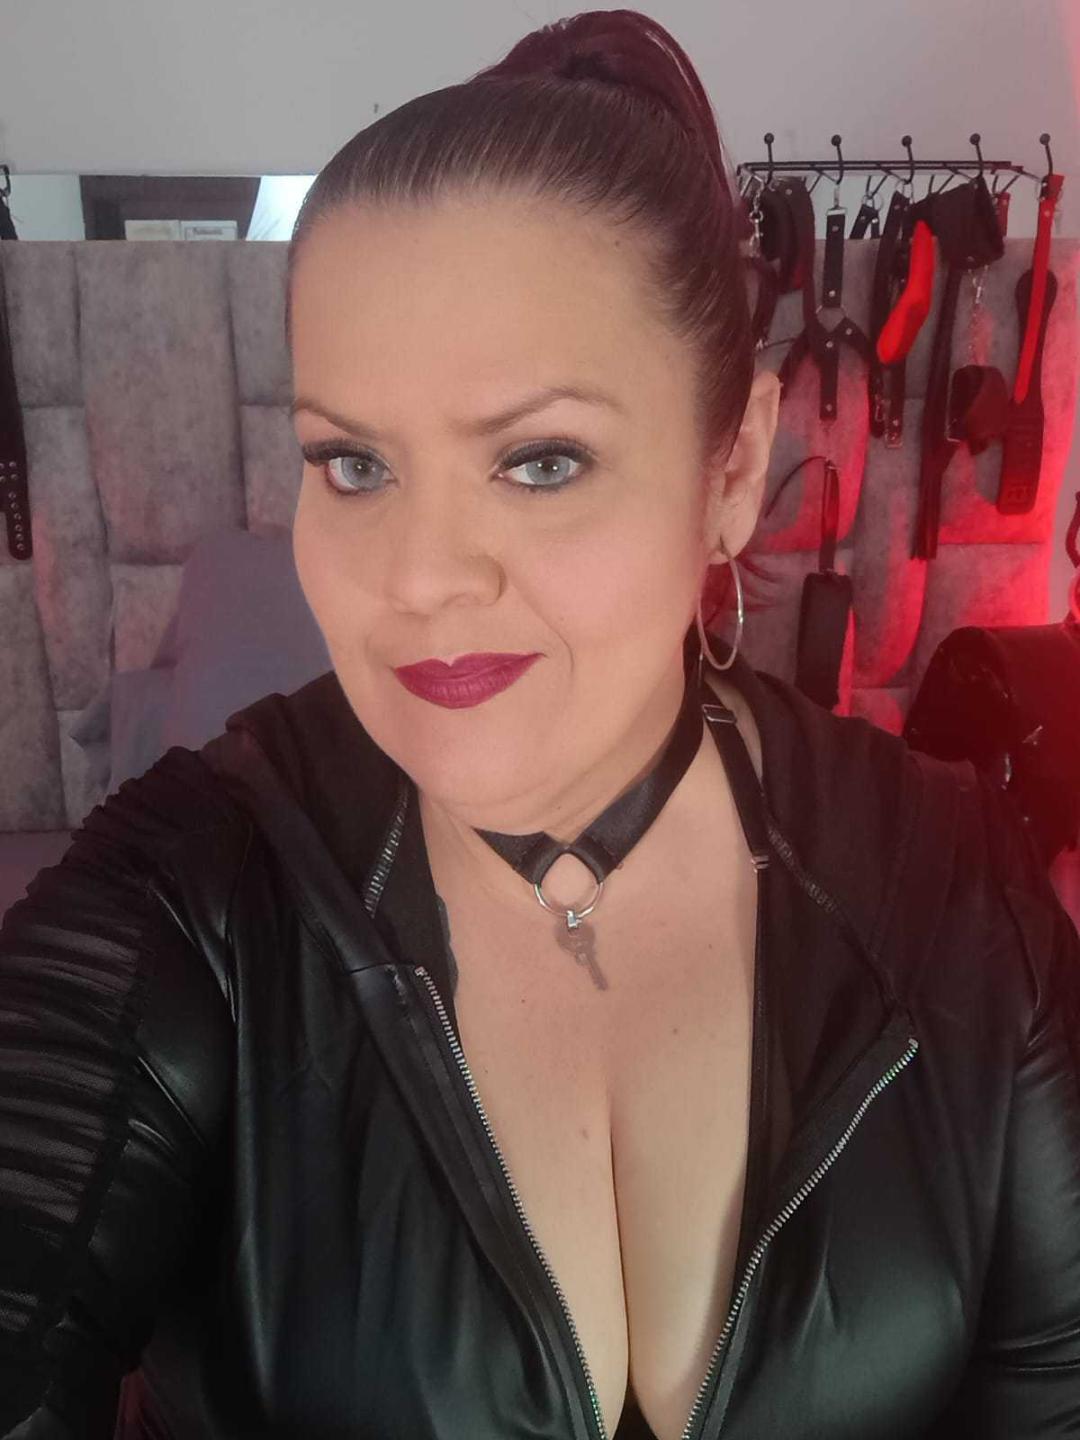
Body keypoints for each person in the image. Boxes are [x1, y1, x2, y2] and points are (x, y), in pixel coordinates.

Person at [2, 11, 1079, 1440]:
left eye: (541, 460)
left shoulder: (960, 898)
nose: (419, 580)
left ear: (732, 468)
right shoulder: (193, 891)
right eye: (354, 463)